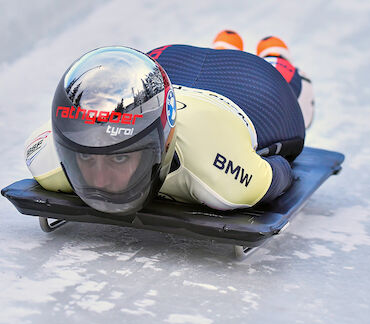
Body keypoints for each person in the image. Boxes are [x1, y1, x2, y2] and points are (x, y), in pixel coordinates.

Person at [24, 34, 314, 215]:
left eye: (121, 156)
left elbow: (280, 171)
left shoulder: (223, 181)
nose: (99, 183)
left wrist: (249, 157)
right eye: (85, 156)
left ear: (160, 145)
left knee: (297, 97)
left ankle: (276, 59)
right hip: (167, 62)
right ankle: (226, 45)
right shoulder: (46, 157)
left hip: (254, 84)